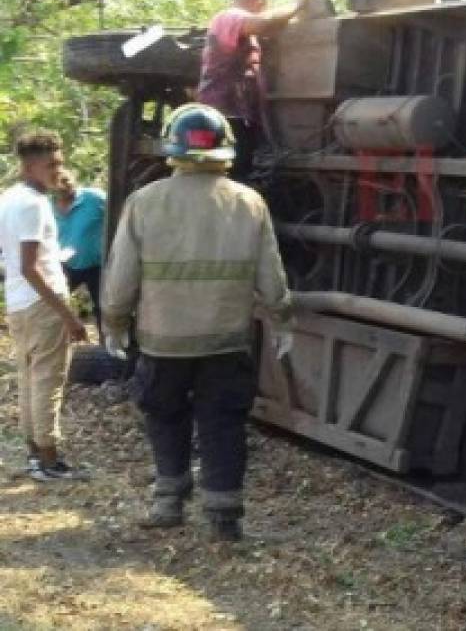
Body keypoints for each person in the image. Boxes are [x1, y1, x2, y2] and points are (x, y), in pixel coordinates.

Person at [101, 104, 296, 541]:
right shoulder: (248, 202)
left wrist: (113, 321)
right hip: (226, 341)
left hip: (162, 340)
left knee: (164, 414)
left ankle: (169, 500)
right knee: (223, 420)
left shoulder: (146, 202)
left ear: (172, 148)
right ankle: (224, 515)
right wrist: (283, 318)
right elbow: (271, 274)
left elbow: (121, 275)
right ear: (225, 149)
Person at [0, 131, 87, 481]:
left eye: (59, 162)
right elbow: (29, 265)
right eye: (51, 164)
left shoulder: (8, 198)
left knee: (29, 377)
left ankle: (36, 454)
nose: (58, 170)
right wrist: (68, 316)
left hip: (19, 301)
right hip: (42, 302)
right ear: (30, 166)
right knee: (48, 381)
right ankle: (49, 460)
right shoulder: (33, 204)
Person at [196, 0, 316, 182]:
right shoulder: (229, 16)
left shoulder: (243, 32)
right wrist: (297, 5)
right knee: (225, 176)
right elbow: (263, 23)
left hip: (237, 113)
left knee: (237, 174)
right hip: (224, 112)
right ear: (259, 3)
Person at [52, 170, 106, 330]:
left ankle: (109, 345)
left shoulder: (95, 198)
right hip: (63, 266)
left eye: (66, 184)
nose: (63, 188)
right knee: (54, 305)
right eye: (58, 187)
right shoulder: (47, 205)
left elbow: (119, 216)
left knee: (103, 308)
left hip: (96, 265)